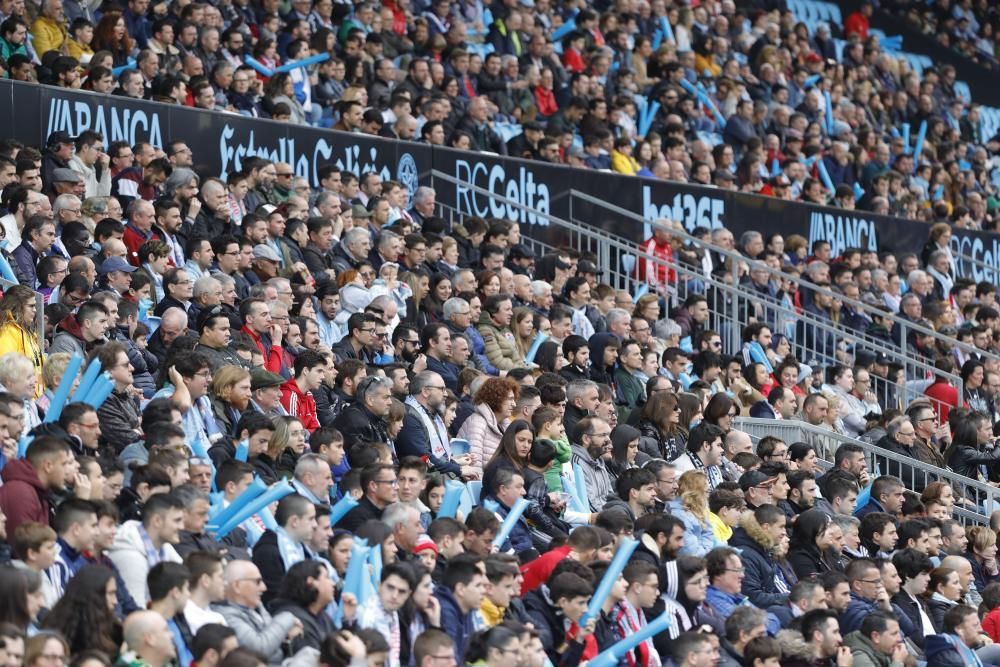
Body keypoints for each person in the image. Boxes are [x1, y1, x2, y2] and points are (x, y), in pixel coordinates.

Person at [214, 560, 304, 666]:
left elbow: (272, 640)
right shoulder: (224, 615)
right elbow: (260, 649)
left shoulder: (257, 606)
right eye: (257, 582)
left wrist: (283, 638)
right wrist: (288, 617)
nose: (264, 588)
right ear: (237, 586)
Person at [107, 493, 185, 607]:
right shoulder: (130, 558)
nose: (182, 527)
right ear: (157, 521)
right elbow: (134, 610)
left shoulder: (165, 549)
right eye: (177, 520)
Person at [252, 495, 317, 604]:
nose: (315, 525)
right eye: (311, 519)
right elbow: (274, 599)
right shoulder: (268, 552)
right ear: (294, 521)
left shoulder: (303, 550)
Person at [268, 560, 337, 652]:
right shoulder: (293, 618)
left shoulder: (322, 615)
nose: (333, 584)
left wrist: (349, 621)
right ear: (311, 582)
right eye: (327, 578)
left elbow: (340, 648)